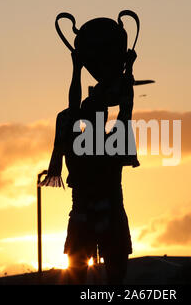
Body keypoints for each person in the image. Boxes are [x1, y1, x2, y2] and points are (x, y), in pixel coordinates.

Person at [39, 48, 139, 285]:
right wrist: (128, 70)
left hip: (86, 218)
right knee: (114, 281)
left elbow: (77, 106)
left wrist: (77, 66)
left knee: (80, 280)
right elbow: (126, 106)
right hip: (108, 216)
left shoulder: (74, 142)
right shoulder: (113, 140)